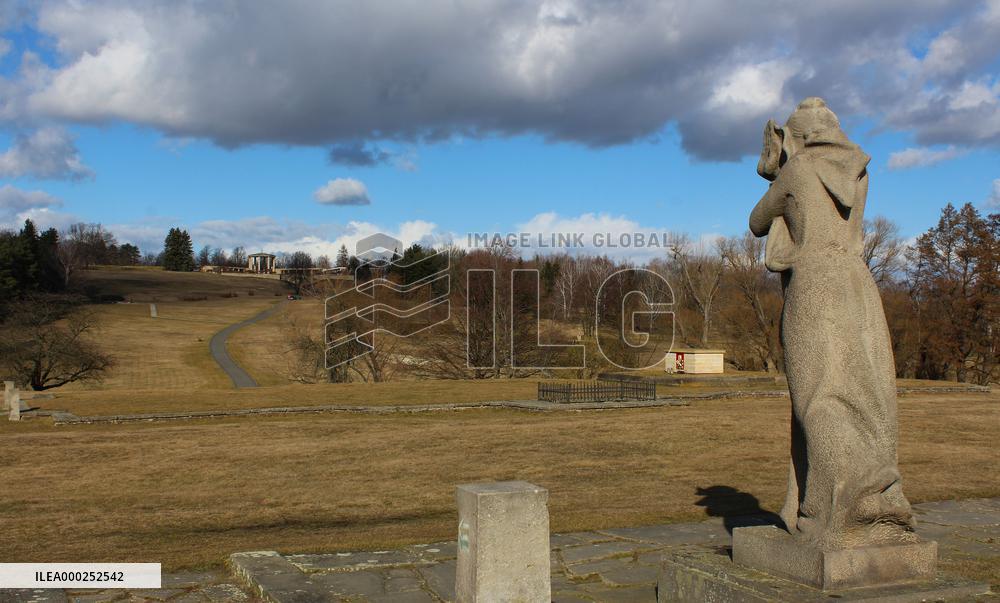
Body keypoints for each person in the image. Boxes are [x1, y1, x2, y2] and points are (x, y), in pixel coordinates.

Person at [750, 97, 914, 549]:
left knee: (818, 395)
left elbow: (758, 221)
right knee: (867, 390)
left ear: (798, 138)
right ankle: (878, 494)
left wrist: (774, 166)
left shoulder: (798, 171)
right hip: (858, 283)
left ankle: (836, 508)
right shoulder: (857, 171)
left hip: (815, 284)